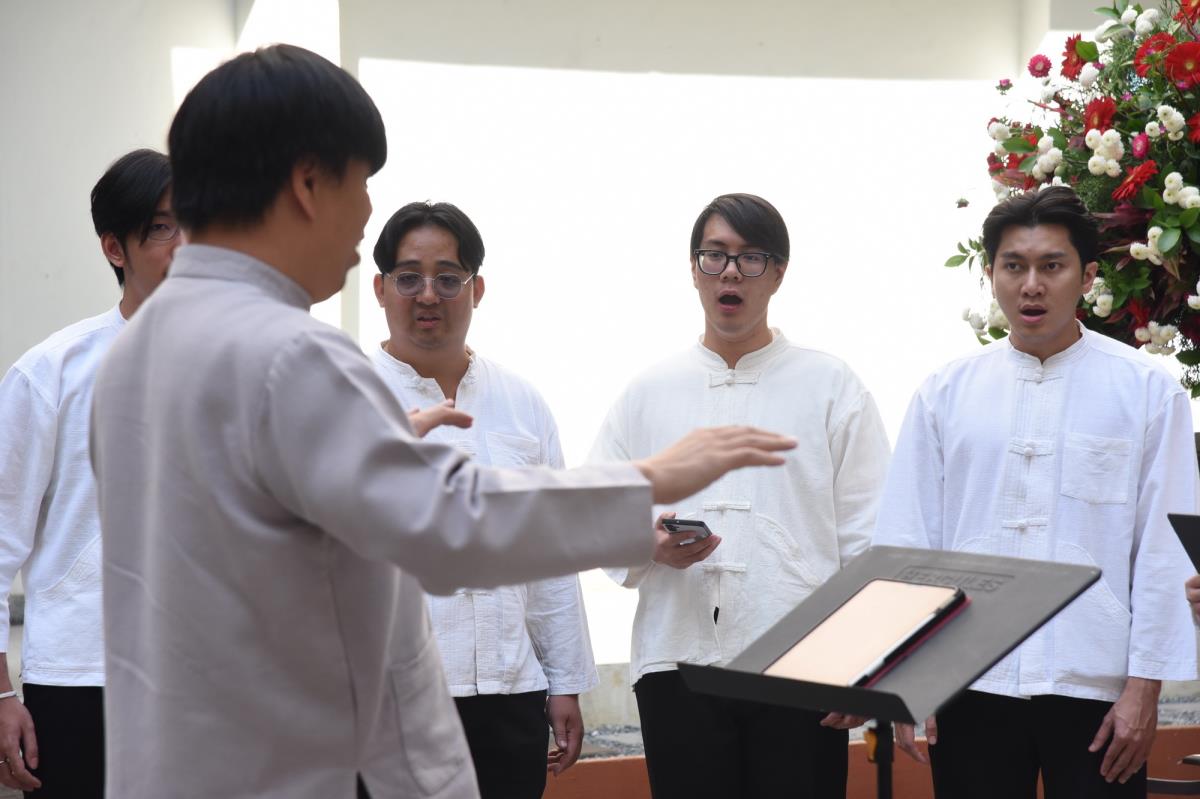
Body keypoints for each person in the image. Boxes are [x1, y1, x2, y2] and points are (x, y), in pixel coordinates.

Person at [87, 45, 797, 799]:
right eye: (361, 182)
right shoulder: (288, 354)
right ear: (307, 183)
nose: (365, 215)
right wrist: (651, 477)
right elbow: (452, 522)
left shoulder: (134, 355)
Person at [875, 186, 1199, 798]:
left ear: (1087, 276)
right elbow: (907, 539)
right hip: (968, 679)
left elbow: (1164, 551)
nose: (1031, 285)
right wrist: (907, 676)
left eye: (1052, 266)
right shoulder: (945, 394)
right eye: (1014, 266)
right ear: (991, 274)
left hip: (1098, 684)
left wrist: (1145, 686)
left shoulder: (1147, 392)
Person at [589, 193, 891, 799]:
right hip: (677, 661)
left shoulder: (831, 385)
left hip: (803, 663)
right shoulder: (647, 392)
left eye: (751, 258)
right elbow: (596, 509)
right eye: (715, 256)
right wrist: (647, 544)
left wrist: (865, 659)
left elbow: (871, 530)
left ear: (778, 273)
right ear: (693, 268)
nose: (730, 272)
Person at [368, 200, 598, 797]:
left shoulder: (521, 403)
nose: (428, 295)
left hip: (509, 690)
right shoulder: (345, 397)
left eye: (448, 278)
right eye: (409, 278)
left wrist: (565, 682)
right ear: (380, 288)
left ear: (478, 289)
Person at [0, 149, 180, 797]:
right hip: (83, 679)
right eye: (162, 228)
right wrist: (1, 693)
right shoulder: (51, 372)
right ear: (114, 248)